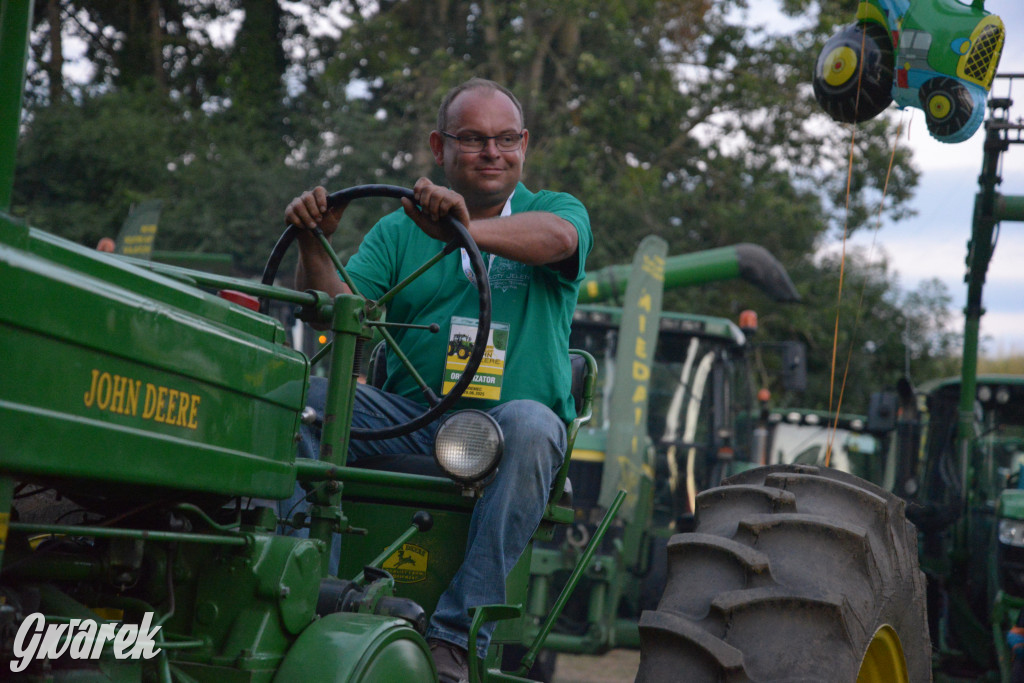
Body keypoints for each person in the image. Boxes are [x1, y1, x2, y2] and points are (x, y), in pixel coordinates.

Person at [284, 77, 592, 683]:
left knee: (534, 423)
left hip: (504, 431)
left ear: (524, 144)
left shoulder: (553, 211)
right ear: (439, 146)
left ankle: (454, 637)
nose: (491, 153)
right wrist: (311, 240)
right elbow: (338, 310)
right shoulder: (398, 231)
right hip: (410, 423)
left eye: (506, 139)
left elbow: (560, 243)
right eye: (473, 139)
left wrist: (459, 229)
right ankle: (311, 594)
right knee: (300, 400)